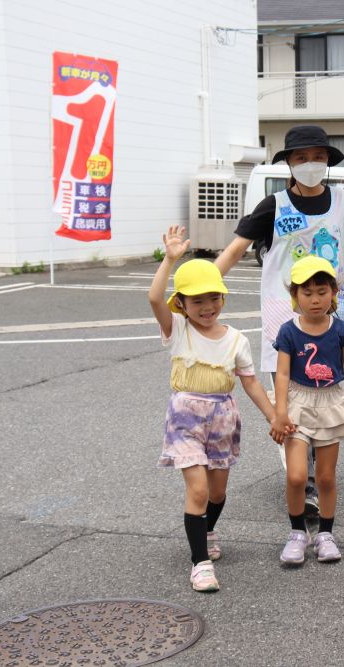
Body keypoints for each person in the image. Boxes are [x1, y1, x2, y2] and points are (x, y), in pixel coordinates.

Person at [215, 125, 344, 519]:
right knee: (290, 391)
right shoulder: (274, 206)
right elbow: (236, 248)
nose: (311, 164)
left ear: (328, 162)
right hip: (285, 312)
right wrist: (203, 287)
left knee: (329, 384)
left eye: (318, 157)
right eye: (302, 158)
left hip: (337, 306)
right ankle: (304, 478)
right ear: (289, 164)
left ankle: (316, 465)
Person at [148, 225, 277, 592]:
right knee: (199, 491)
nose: (206, 307)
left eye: (213, 298)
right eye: (196, 301)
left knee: (218, 493)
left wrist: (274, 417)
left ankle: (207, 529)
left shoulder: (236, 339)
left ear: (223, 299)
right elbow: (155, 299)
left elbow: (250, 381)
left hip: (223, 419)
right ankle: (199, 563)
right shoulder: (178, 330)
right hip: (185, 419)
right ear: (183, 306)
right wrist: (170, 260)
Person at [272, 256, 344, 566]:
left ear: (334, 292)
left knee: (325, 477)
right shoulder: (288, 331)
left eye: (322, 291)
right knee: (297, 476)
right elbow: (282, 373)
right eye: (307, 292)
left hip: (330, 403)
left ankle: (325, 533)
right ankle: (297, 533)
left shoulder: (340, 329)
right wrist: (279, 411)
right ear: (294, 295)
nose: (315, 299)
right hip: (297, 403)